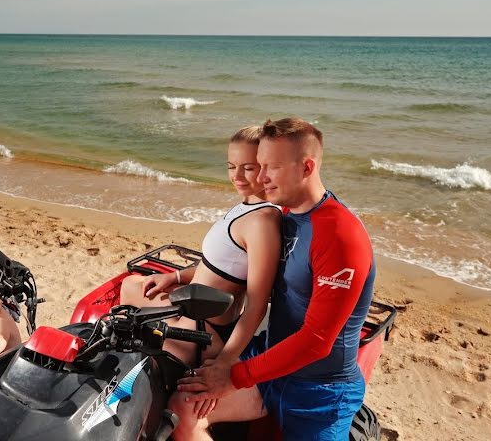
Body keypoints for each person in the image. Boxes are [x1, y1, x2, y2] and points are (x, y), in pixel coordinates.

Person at [173, 117, 376, 441]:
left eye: (272, 168)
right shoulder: (286, 215)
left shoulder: (340, 236)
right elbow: (241, 267)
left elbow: (316, 342)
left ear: (306, 167)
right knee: (184, 406)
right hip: (269, 363)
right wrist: (182, 275)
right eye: (261, 165)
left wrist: (234, 376)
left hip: (320, 391)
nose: (261, 178)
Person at [119, 125, 281, 415]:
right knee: (131, 286)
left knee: (143, 375)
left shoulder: (262, 223)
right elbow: (219, 264)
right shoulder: (244, 206)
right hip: (189, 303)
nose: (237, 176)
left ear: (268, 167)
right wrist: (175, 276)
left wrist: (225, 362)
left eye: (248, 168)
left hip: (206, 330)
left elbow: (257, 304)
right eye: (232, 166)